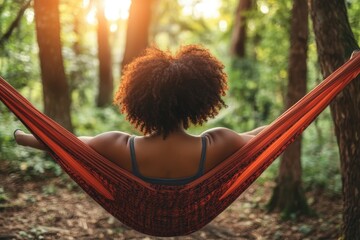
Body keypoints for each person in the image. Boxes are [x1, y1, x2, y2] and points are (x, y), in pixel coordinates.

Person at [14, 45, 267, 185]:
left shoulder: (116, 145)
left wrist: (21, 136)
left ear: (138, 101)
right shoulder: (220, 143)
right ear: (201, 99)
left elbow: (64, 144)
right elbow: (265, 136)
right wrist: (298, 119)